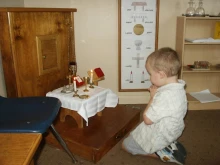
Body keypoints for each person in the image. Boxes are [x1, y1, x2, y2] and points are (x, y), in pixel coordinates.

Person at [122, 47, 188, 165]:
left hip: (161, 133)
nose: (149, 77)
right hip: (173, 130)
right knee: (134, 134)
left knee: (126, 145)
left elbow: (147, 119)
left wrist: (152, 97)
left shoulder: (165, 96)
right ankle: (169, 144)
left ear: (161, 74)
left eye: (150, 74)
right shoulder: (179, 87)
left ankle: (162, 154)